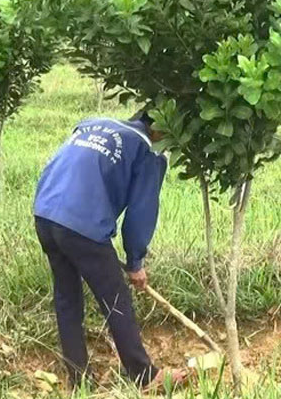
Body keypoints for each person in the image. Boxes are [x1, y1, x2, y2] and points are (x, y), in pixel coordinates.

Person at [32, 110, 189, 389]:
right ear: (163, 131)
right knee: (116, 301)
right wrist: (135, 262)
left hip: (45, 213)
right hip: (83, 224)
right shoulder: (148, 152)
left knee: (67, 298)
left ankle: (79, 380)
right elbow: (141, 213)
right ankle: (146, 376)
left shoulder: (94, 123)